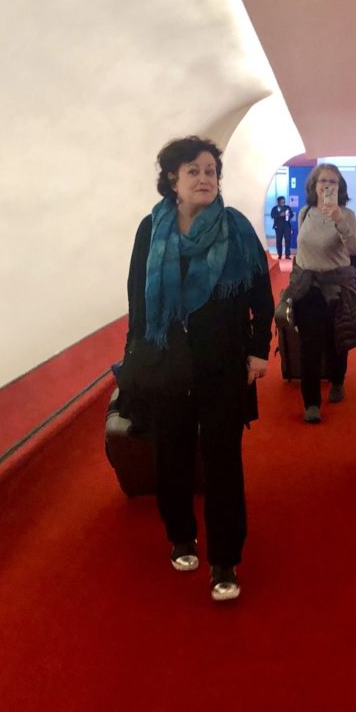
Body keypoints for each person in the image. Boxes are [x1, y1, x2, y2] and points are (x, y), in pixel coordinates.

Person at [124, 136, 274, 602]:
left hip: (224, 362)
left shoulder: (237, 229)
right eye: (194, 170)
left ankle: (225, 559)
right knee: (173, 452)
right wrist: (137, 355)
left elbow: (260, 294)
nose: (205, 178)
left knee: (223, 458)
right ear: (172, 179)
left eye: (211, 170)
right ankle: (181, 535)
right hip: (168, 360)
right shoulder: (152, 229)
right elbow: (137, 295)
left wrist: (257, 350)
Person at [280, 163, 356, 424]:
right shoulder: (305, 212)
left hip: (337, 286)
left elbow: (354, 250)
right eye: (323, 182)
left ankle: (337, 379)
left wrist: (339, 220)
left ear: (339, 188)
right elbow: (302, 250)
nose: (328, 186)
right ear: (314, 186)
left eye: (333, 182)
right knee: (309, 344)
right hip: (308, 287)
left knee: (337, 340)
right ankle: (311, 402)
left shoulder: (347, 215)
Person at [270, 195, 294, 260]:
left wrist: (289, 214)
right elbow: (272, 216)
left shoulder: (287, 207)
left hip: (287, 226)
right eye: (281, 202)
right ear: (278, 202)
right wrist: (280, 215)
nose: (283, 203)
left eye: (284, 201)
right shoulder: (274, 208)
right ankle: (279, 255)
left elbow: (292, 215)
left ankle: (287, 255)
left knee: (287, 240)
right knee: (278, 241)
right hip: (278, 227)